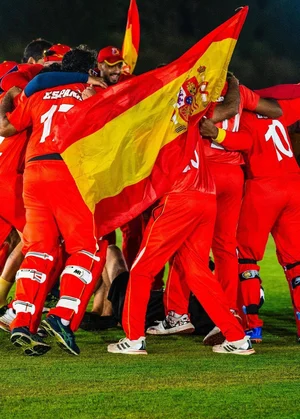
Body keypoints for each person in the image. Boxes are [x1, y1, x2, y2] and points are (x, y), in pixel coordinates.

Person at [107, 119, 255, 356]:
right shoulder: (191, 120)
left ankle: (134, 338)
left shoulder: (155, 124)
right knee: (197, 271)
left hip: (179, 198)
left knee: (142, 270)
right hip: (206, 197)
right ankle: (237, 337)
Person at [148, 76, 281, 339]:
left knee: (186, 246)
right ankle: (228, 312)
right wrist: (239, 96)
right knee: (225, 247)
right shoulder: (238, 91)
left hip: (203, 174)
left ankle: (177, 314)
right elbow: (275, 111)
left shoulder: (196, 89)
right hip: (234, 174)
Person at [0, 47, 108, 356]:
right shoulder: (92, 90)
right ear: (92, 70)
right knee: (88, 249)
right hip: (68, 170)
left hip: (33, 174)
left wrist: (6, 100)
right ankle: (61, 317)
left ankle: (22, 321)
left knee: (40, 250)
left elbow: (5, 126)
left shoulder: (38, 94)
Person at [199, 97, 300, 343]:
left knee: (246, 257)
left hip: (263, 188)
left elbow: (245, 141)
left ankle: (252, 326)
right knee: (296, 262)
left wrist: (217, 135)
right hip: (294, 184)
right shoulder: (277, 112)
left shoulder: (240, 115)